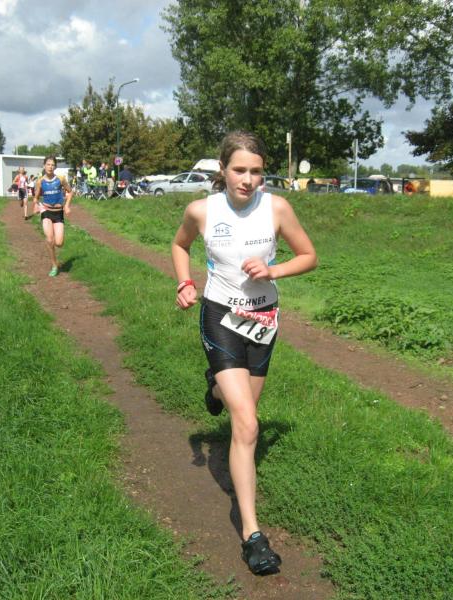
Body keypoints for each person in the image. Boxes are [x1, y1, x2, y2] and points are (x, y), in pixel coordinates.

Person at [171, 131, 317, 575]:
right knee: (248, 424)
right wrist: (185, 282)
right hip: (220, 316)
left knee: (244, 416)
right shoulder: (201, 211)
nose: (248, 179)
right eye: (239, 170)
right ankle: (253, 535)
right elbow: (180, 245)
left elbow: (309, 256)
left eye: (256, 171)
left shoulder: (277, 208)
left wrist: (274, 270)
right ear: (223, 169)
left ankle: (215, 388)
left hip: (263, 320)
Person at [33, 156, 72, 277]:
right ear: (44, 166)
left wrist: (67, 206)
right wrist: (35, 205)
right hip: (46, 211)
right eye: (48, 164)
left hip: (58, 213)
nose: (50, 167)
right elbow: (36, 197)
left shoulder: (60, 179)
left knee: (59, 243)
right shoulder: (40, 181)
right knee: (49, 239)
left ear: (55, 167)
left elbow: (70, 192)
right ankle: (54, 265)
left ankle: (56, 261)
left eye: (52, 165)